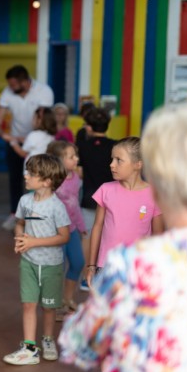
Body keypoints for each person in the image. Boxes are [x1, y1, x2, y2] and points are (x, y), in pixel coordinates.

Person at [58, 103, 187, 372]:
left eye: (119, 160)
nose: (113, 165)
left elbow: (78, 343)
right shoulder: (164, 257)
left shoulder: (135, 264)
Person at [83, 136, 165, 372]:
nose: (112, 164)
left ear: (139, 164)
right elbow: (97, 229)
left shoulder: (154, 195)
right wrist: (92, 264)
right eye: (112, 159)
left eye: (119, 160)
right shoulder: (106, 190)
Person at [2, 154, 70, 365]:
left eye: (31, 174)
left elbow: (64, 236)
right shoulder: (25, 201)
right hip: (29, 262)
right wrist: (20, 238)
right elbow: (20, 223)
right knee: (28, 304)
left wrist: (34, 242)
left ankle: (48, 339)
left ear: (47, 181)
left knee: (49, 307)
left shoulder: (56, 206)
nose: (26, 176)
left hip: (51, 265)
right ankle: (30, 347)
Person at [0, 65, 54, 231]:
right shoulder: (8, 92)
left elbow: (45, 118)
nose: (11, 88)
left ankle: (38, 215)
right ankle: (15, 213)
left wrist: (14, 140)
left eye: (14, 85)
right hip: (18, 138)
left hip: (36, 142)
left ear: (25, 81)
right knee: (15, 178)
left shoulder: (44, 91)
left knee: (38, 180)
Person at [46, 141, 86, 319]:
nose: (76, 159)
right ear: (58, 160)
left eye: (76, 155)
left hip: (72, 229)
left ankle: (66, 299)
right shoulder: (52, 181)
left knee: (78, 262)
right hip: (55, 231)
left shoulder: (76, 178)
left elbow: (74, 205)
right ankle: (52, 305)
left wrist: (81, 226)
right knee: (57, 268)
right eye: (71, 157)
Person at [77, 107, 115, 290]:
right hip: (112, 199)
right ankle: (107, 274)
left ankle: (87, 276)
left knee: (88, 236)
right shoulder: (114, 146)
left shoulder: (83, 147)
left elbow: (79, 172)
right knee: (109, 235)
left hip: (89, 197)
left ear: (89, 128)